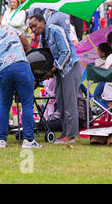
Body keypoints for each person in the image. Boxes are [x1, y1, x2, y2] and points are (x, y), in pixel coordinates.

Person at [0, 27, 41, 149]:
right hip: (21, 66)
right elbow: (25, 43)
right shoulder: (8, 29)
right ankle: (28, 140)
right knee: (26, 104)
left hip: (3, 71)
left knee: (4, 105)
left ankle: (1, 140)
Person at [29, 14, 80, 145]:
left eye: (35, 25)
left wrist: (53, 70)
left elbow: (66, 52)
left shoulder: (55, 30)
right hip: (59, 71)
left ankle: (71, 135)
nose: (33, 29)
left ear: (43, 22)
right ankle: (65, 132)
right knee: (61, 103)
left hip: (70, 68)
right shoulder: (43, 37)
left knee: (69, 103)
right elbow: (46, 55)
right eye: (31, 28)